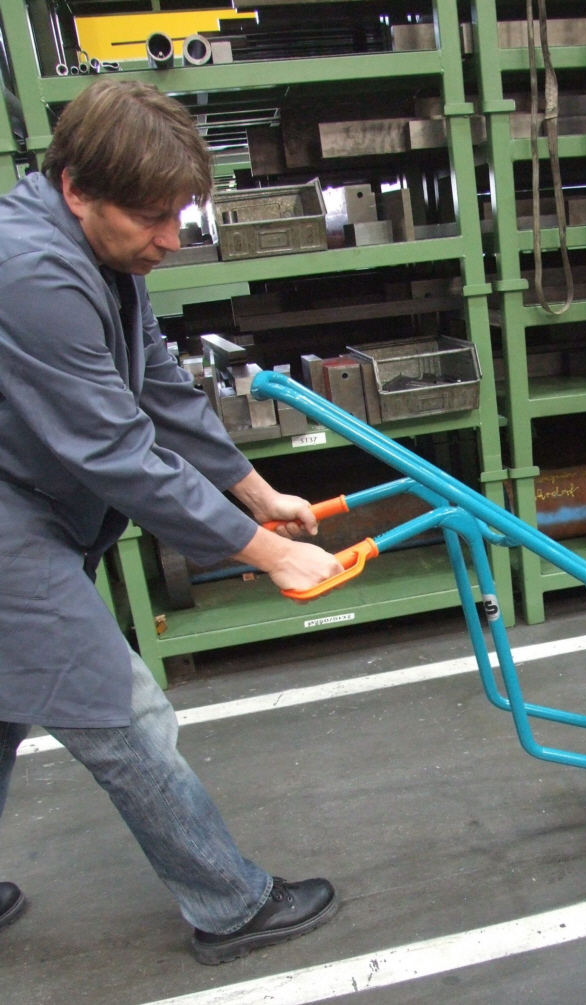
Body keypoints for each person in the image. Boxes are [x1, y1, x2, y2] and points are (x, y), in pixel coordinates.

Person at [0, 79, 345, 964]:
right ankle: (231, 903)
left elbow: (150, 377)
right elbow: (113, 451)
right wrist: (267, 552)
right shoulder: (30, 273)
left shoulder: (101, 256)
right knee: (123, 713)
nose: (171, 238)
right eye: (153, 216)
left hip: (27, 502)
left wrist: (251, 487)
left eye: (180, 213)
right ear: (77, 186)